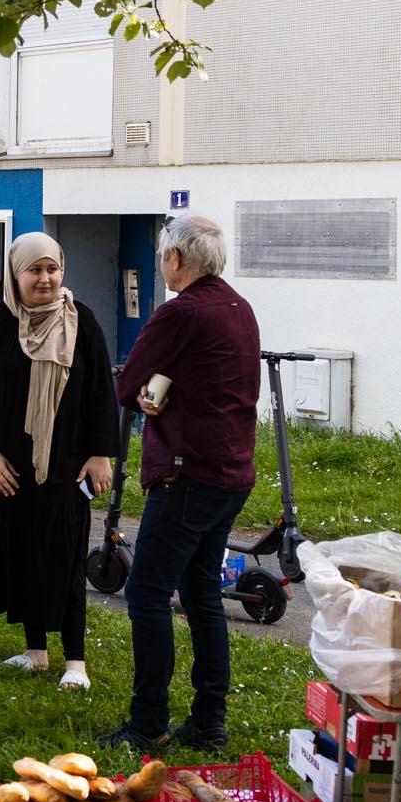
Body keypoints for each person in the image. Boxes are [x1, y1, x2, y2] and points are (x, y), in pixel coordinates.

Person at [98, 212, 262, 754]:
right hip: (231, 470)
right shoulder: (239, 308)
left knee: (147, 591)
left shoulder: (179, 312)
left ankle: (148, 722)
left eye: (162, 256)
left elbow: (128, 385)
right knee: (200, 592)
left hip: (186, 472)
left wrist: (148, 391)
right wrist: (160, 391)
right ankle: (209, 721)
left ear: (175, 258)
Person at [0, 232, 120, 689]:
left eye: (52, 269)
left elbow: (101, 393)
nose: (45, 279)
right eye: (35, 270)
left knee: (65, 557)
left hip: (66, 465)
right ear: (15, 274)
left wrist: (100, 454)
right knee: (22, 553)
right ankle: (36, 652)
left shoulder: (82, 321)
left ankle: (76, 663)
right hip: (8, 466)